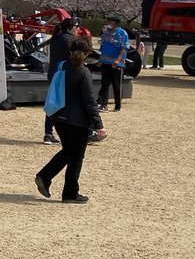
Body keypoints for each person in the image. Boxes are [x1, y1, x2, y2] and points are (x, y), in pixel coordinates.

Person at [36, 38, 106, 204]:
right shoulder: (83, 72)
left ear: (70, 51)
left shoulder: (61, 66)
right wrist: (99, 125)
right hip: (77, 121)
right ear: (88, 53)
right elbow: (89, 101)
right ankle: (68, 192)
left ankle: (46, 178)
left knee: (68, 152)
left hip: (58, 115)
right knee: (76, 156)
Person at [43, 18, 79, 145]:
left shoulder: (57, 38)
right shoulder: (69, 40)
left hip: (54, 73)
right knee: (71, 102)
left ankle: (48, 133)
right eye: (76, 26)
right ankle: (84, 131)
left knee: (53, 102)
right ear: (70, 27)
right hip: (64, 74)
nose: (78, 29)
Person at [97, 14, 129, 112]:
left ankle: (118, 106)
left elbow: (124, 47)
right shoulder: (106, 33)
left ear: (116, 23)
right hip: (105, 61)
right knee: (104, 84)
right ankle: (103, 105)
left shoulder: (122, 33)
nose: (109, 23)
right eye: (108, 21)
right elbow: (103, 46)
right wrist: (100, 59)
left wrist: (118, 60)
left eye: (111, 21)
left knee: (117, 84)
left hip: (116, 63)